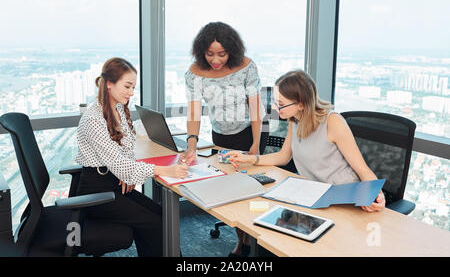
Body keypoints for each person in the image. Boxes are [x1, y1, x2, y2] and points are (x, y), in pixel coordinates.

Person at [225, 69, 385, 213]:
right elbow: (283, 156)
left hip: (344, 199)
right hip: (314, 195)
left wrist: (374, 195)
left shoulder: (332, 122)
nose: (275, 109)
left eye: (280, 104)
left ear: (301, 104)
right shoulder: (295, 120)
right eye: (275, 102)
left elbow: (363, 170)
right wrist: (250, 158)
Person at [75, 57, 188, 257]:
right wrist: (164, 170)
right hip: (96, 191)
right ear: (109, 83)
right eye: (127, 86)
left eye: (133, 87)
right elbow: (118, 162)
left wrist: (125, 174)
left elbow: (126, 148)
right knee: (153, 223)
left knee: (161, 215)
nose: (131, 92)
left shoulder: (117, 108)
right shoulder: (94, 118)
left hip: (113, 181)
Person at [180, 22, 268, 257]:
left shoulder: (246, 67)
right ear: (202, 51)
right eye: (210, 54)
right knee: (230, 187)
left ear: (232, 50)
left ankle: (250, 240)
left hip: (251, 131)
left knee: (249, 186)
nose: (215, 59)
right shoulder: (195, 73)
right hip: (221, 133)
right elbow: (194, 112)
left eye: (221, 53)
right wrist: (192, 144)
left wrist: (256, 146)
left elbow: (256, 108)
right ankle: (242, 238)